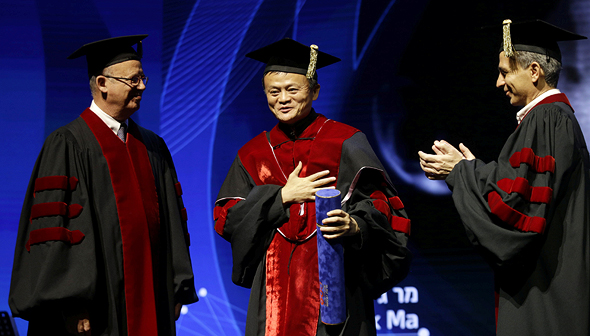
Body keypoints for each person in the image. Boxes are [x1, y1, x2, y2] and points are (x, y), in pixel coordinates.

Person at [214, 38, 412, 336]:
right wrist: (280, 197)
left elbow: (382, 205)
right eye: (273, 91)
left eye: (292, 89)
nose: (282, 99)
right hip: (273, 290)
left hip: (336, 284)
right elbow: (228, 218)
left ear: (315, 91)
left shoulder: (344, 141)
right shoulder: (253, 154)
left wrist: (355, 226)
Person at [8, 35, 198, 336]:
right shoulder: (68, 144)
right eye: (133, 80)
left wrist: (177, 284)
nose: (143, 86)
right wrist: (72, 301)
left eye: (143, 78)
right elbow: (56, 229)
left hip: (151, 294)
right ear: (102, 83)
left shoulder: (153, 146)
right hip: (95, 306)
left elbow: (173, 222)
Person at [419, 19, 590, 335]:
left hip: (547, 287)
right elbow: (522, 184)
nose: (498, 83)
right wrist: (474, 169)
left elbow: (517, 210)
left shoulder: (547, 118)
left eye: (504, 72)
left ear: (534, 71)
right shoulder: (550, 120)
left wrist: (461, 173)